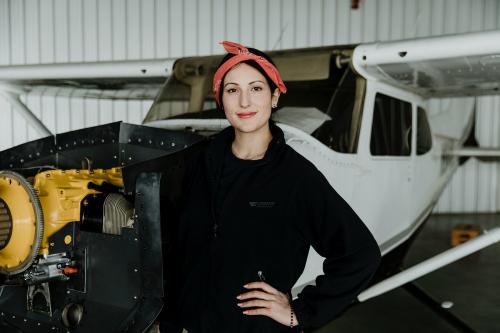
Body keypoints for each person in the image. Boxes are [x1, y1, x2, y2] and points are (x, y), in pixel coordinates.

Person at [160, 41, 381, 333]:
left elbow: (360, 253)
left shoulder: (296, 177)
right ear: (220, 100)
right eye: (232, 90)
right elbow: (175, 249)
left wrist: (299, 313)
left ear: (274, 96)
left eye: (256, 88)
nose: (244, 102)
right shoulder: (195, 165)